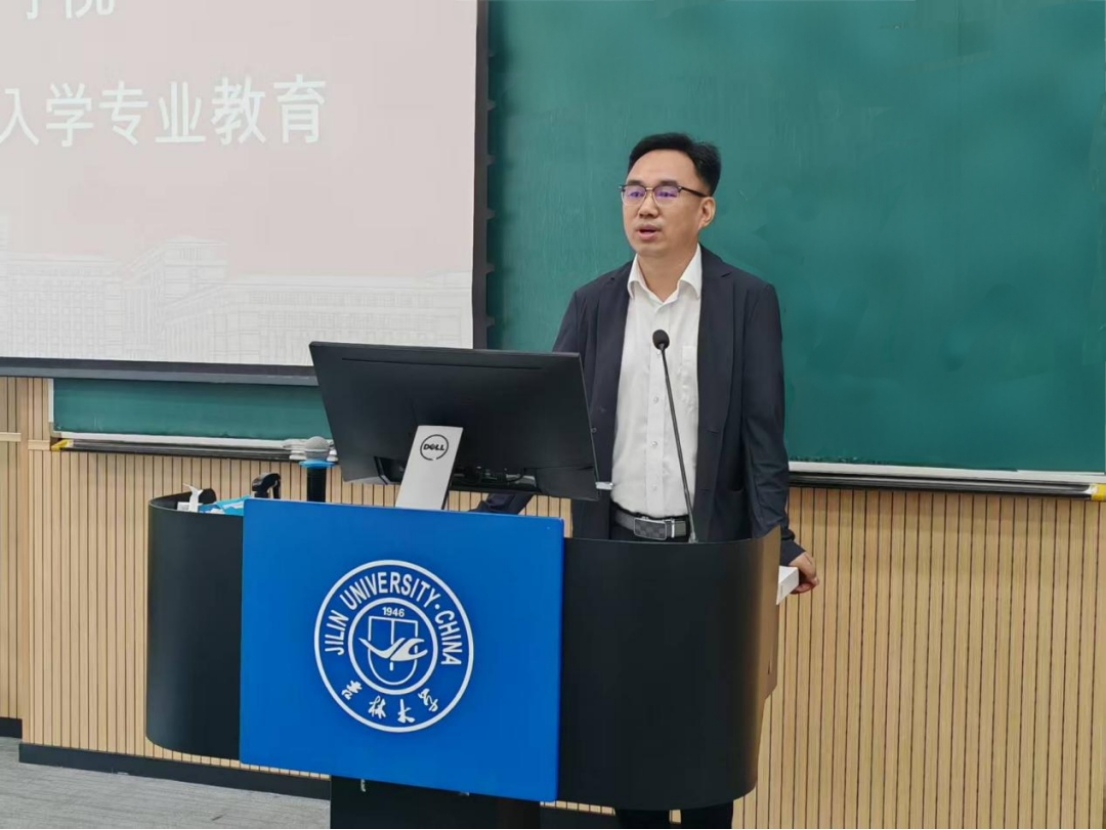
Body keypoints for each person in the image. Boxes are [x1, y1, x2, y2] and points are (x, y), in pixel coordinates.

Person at [477, 132, 817, 829]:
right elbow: (549, 425)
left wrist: (779, 542)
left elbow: (762, 438)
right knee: (628, 740)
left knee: (708, 741)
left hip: (710, 555)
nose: (646, 207)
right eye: (634, 191)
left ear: (705, 209)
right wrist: (491, 515)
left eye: (667, 191)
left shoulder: (747, 301)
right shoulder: (594, 303)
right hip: (615, 553)